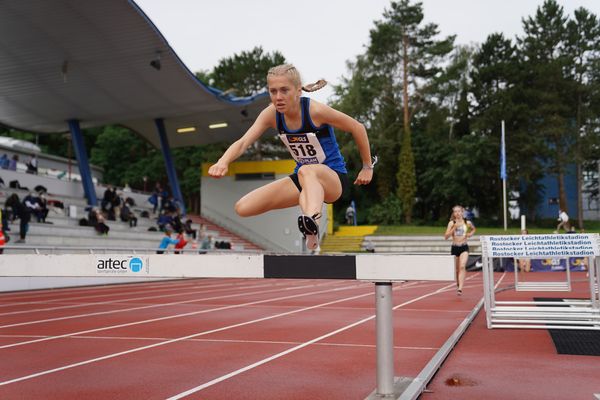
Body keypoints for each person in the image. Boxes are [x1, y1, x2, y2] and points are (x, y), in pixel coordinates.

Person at [208, 64, 375, 250]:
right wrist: (223, 161)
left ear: (298, 90)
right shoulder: (271, 114)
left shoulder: (315, 111)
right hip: (304, 179)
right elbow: (243, 142)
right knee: (243, 207)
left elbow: (357, 127)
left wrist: (367, 166)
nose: (278, 97)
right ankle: (309, 218)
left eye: (284, 90)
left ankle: (312, 224)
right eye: (273, 91)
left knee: (306, 170)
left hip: (334, 179)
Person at [444, 205, 476, 295]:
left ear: (462, 212)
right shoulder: (451, 223)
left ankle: (460, 288)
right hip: (454, 247)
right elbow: (446, 237)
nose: (457, 213)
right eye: (455, 212)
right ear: (453, 213)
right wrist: (454, 228)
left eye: (459, 211)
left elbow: (474, 229)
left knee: (462, 266)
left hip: (464, 247)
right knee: (457, 270)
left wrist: (470, 234)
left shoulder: (467, 222)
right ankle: (458, 283)